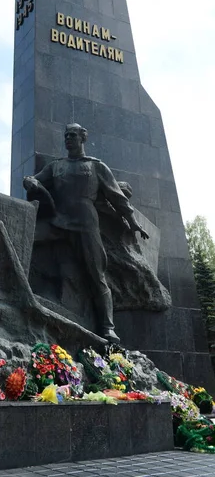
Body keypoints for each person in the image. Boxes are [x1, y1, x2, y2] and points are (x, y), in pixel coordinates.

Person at [23, 123, 148, 343]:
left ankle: (108, 328)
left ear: (83, 138)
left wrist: (133, 222)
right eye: (66, 135)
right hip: (57, 221)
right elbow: (36, 180)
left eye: (73, 135)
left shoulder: (96, 167)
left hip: (86, 225)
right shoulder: (56, 166)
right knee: (26, 237)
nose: (68, 139)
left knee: (96, 275)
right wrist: (30, 181)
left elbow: (117, 197)